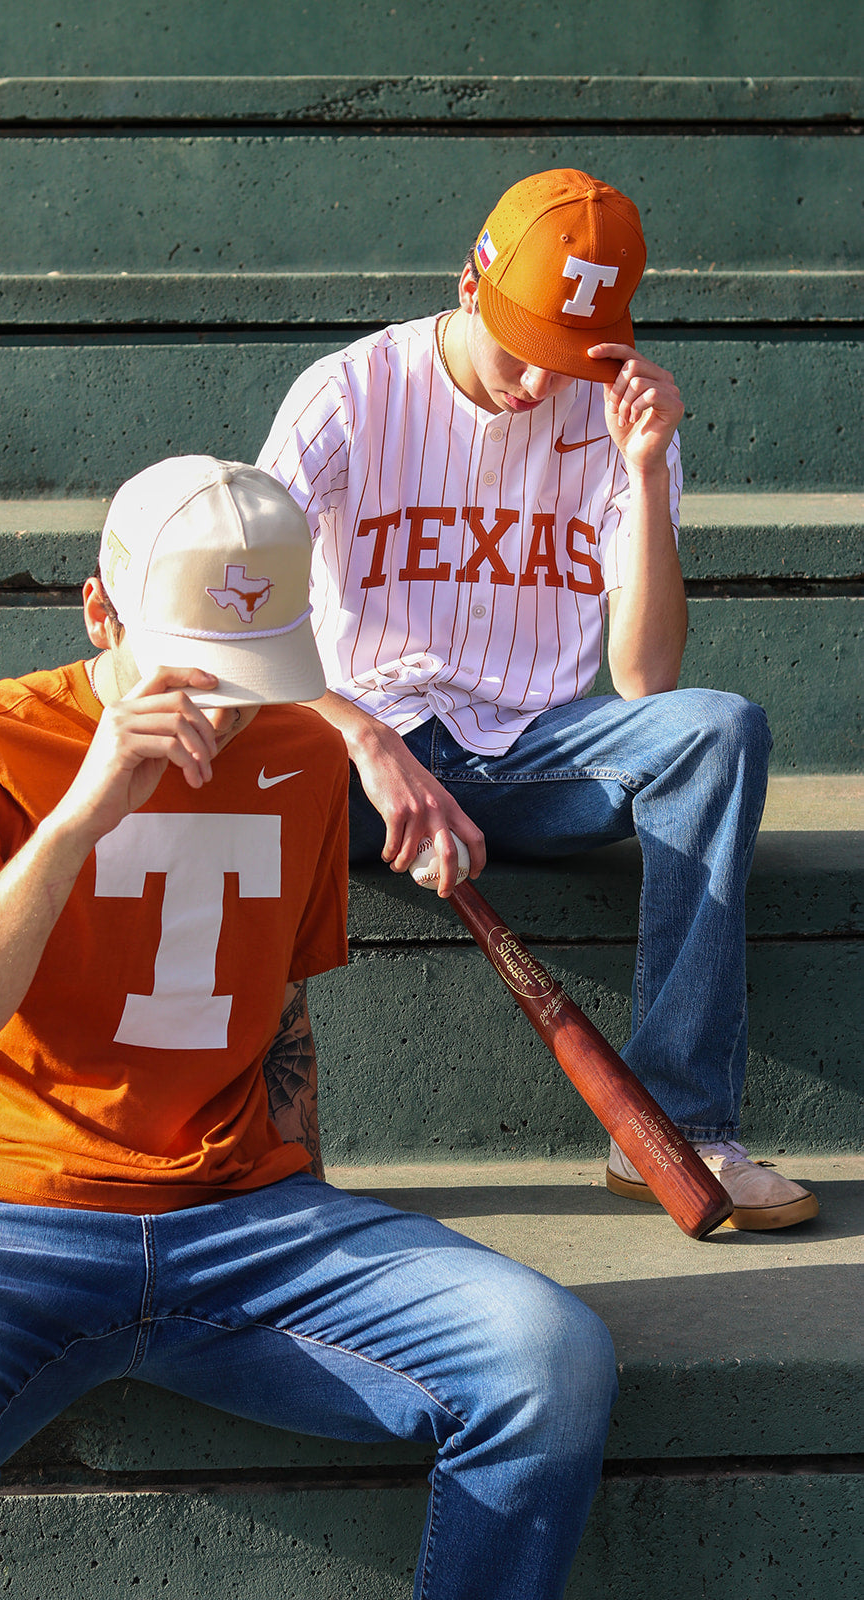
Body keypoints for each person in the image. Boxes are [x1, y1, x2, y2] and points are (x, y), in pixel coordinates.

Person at [0, 456, 617, 1600]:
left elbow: (281, 1007)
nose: (228, 706)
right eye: (200, 666)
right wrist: (85, 809)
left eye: (260, 666)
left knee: (551, 1359)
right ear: (101, 609)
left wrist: (308, 1191)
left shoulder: (295, 751)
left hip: (248, 1215)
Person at [257, 168, 818, 1232]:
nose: (531, 380)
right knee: (217, 735)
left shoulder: (615, 419)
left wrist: (645, 473)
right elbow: (234, 614)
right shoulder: (349, 390)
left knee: (718, 727)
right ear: (471, 281)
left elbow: (647, 680)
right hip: (358, 759)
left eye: (564, 354)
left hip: (530, 758)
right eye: (518, 343)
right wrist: (363, 737)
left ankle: (679, 1124)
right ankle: (245, 1146)